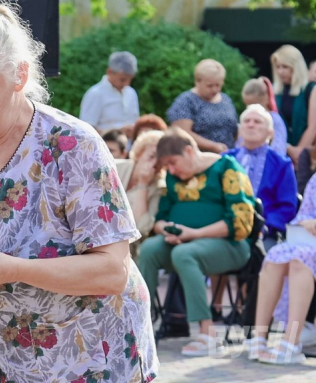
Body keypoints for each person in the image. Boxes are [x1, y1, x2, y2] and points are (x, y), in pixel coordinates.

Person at [0, 2, 158, 382]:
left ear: (19, 75)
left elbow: (113, 271)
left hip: (85, 364)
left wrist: (13, 270)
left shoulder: (71, 146)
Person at [138, 128, 255, 356]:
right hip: (182, 243)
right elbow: (160, 218)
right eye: (167, 166)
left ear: (189, 151)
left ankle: (207, 334)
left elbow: (241, 222)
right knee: (150, 248)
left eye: (173, 162)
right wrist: (167, 230)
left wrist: (194, 233)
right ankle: (138, 325)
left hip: (230, 246)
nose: (171, 170)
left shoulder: (227, 168)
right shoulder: (173, 177)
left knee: (185, 254)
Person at [250, 173, 316, 364]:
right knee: (275, 257)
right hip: (310, 242)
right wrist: (306, 222)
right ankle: (259, 338)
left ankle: (291, 343)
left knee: (299, 260)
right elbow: (304, 214)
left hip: (308, 252)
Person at [226, 105, 297, 251]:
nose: (251, 124)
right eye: (247, 121)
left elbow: (287, 206)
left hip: (265, 232)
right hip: (225, 230)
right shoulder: (225, 160)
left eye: (257, 122)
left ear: (270, 133)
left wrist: (265, 226)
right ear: (240, 129)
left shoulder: (281, 164)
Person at [167, 59, 238, 152]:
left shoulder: (226, 100)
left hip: (227, 158)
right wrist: (212, 146)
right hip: (197, 158)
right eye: (209, 86)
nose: (214, 89)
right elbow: (181, 133)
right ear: (197, 81)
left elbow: (235, 129)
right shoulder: (186, 101)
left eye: (218, 85)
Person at [114, 130, 165, 259]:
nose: (154, 164)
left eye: (160, 160)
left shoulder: (159, 187)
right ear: (139, 153)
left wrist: (143, 184)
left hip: (129, 248)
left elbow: (140, 228)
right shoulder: (114, 167)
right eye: (151, 156)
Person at [271, 45, 316, 164]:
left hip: (305, 156)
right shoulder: (275, 92)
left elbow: (313, 126)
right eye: (278, 67)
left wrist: (299, 151)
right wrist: (288, 148)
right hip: (280, 154)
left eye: (285, 67)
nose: (280, 71)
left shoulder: (310, 90)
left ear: (296, 66)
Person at [80, 51, 140, 136]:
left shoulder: (131, 93)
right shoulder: (95, 94)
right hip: (105, 147)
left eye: (130, 79)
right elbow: (85, 131)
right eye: (122, 79)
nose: (127, 83)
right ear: (109, 72)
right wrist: (117, 132)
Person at [238, 77, 287, 156]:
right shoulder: (247, 119)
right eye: (247, 105)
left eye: (254, 104)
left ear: (266, 98)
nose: (251, 109)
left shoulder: (274, 119)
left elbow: (279, 148)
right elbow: (240, 143)